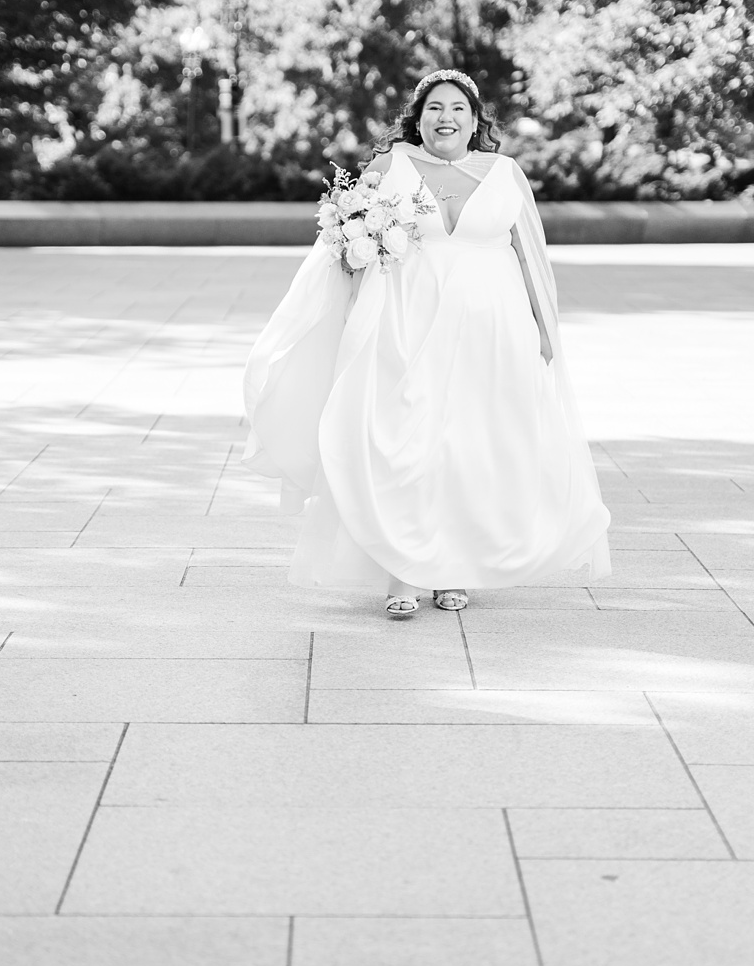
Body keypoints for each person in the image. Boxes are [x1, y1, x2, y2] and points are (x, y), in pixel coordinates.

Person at [240, 69, 611, 615]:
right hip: (407, 326)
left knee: (470, 448)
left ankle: (454, 570)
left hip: (494, 334)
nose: (446, 117)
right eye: (435, 107)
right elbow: (344, 240)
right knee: (405, 444)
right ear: (419, 118)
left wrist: (545, 333)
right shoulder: (391, 167)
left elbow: (532, 258)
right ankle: (403, 578)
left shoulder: (506, 175)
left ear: (475, 120)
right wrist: (352, 253)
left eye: (458, 108)